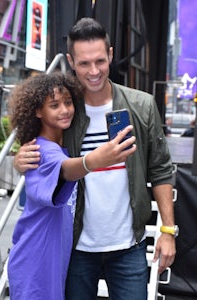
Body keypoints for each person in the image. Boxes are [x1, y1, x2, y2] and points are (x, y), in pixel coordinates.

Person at [14, 18, 177, 300]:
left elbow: (160, 170)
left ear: (111, 55)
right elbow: (45, 150)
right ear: (70, 61)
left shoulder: (142, 105)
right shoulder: (66, 109)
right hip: (77, 246)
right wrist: (20, 159)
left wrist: (167, 231)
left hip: (128, 245)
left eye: (100, 61)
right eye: (84, 63)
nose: (93, 71)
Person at [8, 71, 136, 300]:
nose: (65, 110)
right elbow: (66, 169)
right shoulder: (40, 151)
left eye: (68, 102)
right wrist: (96, 160)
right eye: (54, 105)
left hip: (53, 257)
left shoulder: (58, 147)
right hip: (36, 259)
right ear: (38, 111)